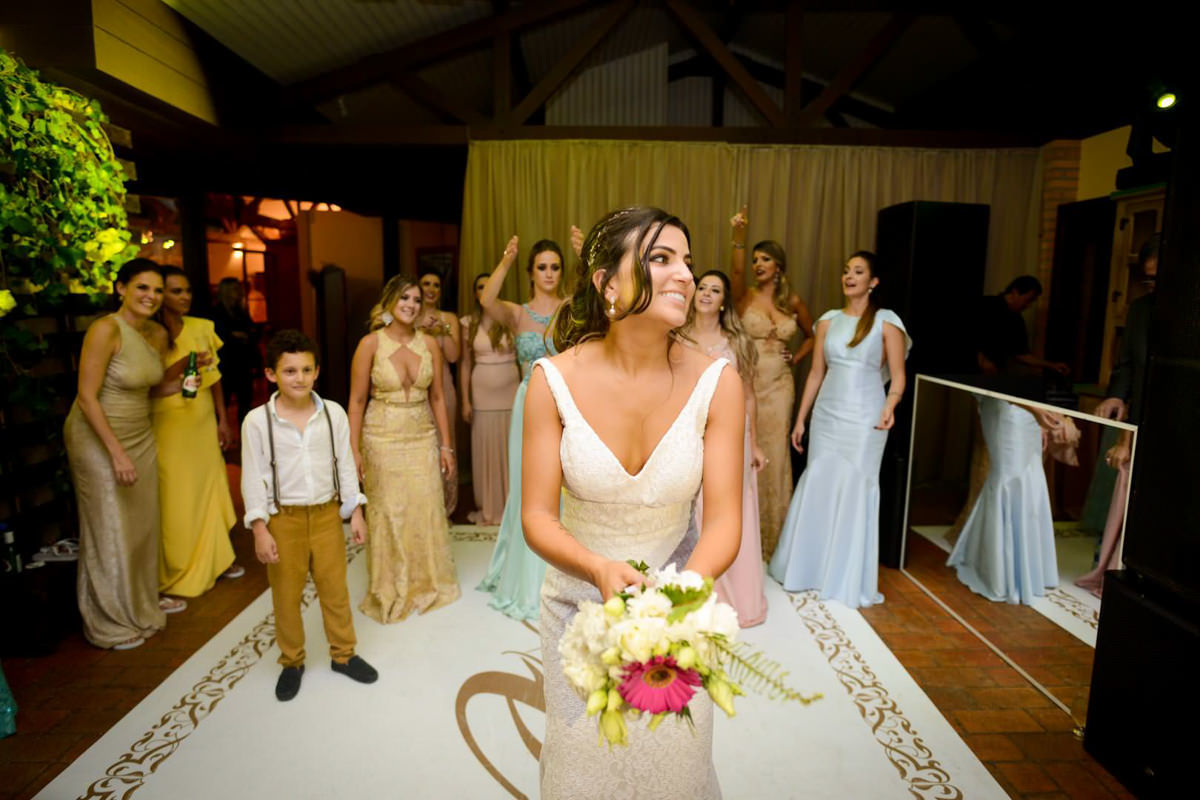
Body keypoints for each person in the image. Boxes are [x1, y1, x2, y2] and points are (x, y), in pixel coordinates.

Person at [523, 207, 743, 798]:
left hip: (677, 607)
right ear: (607, 283)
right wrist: (596, 569)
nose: (685, 276)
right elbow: (537, 517)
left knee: (674, 766)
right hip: (577, 608)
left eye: (688, 262)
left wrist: (677, 600)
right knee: (583, 765)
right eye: (660, 259)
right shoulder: (551, 380)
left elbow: (724, 522)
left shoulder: (718, 382)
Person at [241, 330, 377, 701]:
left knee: (335, 589)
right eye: (289, 371)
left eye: (305, 370)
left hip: (326, 515)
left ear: (316, 371)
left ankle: (343, 655)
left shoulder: (332, 414)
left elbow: (345, 465)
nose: (298, 378)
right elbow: (253, 476)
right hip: (282, 519)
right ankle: (292, 661)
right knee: (286, 593)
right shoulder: (257, 421)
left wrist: (357, 512)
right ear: (271, 374)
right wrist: (259, 528)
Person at [769, 251, 910, 608]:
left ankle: (844, 575)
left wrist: (890, 405)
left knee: (856, 487)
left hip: (866, 418)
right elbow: (816, 373)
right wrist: (801, 418)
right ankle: (808, 569)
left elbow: (898, 376)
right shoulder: (827, 322)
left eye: (858, 271)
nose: (849, 276)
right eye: (846, 270)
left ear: (873, 281)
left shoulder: (887, 322)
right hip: (828, 416)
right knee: (820, 482)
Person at [65, 259, 172, 650]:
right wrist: (117, 454)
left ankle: (140, 606)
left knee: (140, 526)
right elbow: (86, 397)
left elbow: (149, 389)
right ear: (121, 288)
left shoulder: (150, 333)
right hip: (98, 437)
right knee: (109, 527)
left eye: (158, 290)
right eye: (143, 287)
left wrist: (185, 382)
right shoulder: (105, 329)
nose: (152, 297)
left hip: (139, 434)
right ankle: (108, 621)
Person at [475, 231, 577, 621]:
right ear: (531, 273)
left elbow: (604, 299)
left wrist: (584, 255)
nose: (549, 273)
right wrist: (506, 259)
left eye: (555, 266)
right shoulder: (517, 313)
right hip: (527, 404)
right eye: (542, 267)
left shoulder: (571, 308)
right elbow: (486, 299)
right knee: (529, 489)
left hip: (566, 405)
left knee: (566, 488)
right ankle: (526, 574)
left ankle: (566, 571)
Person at [348, 277, 460, 622]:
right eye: (404, 298)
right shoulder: (370, 344)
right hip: (381, 437)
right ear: (390, 302)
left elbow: (438, 397)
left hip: (422, 435)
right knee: (388, 511)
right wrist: (353, 451)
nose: (410, 304)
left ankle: (427, 582)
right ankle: (391, 585)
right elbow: (356, 401)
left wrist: (447, 445)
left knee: (425, 505)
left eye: (415, 299)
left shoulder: (430, 345)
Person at [679, 269, 768, 626]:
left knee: (731, 506)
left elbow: (749, 395)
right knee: (691, 504)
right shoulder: (676, 337)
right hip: (689, 432)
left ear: (722, 301)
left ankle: (736, 593)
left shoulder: (737, 342)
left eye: (715, 290)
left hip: (732, 434)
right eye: (702, 287)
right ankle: (691, 589)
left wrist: (756, 444)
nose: (706, 294)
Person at [729, 205, 814, 560]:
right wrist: (738, 238)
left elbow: (812, 336)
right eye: (755, 260)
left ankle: (777, 538)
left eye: (765, 259)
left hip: (780, 385)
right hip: (748, 381)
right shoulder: (744, 294)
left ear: (778, 266)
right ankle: (744, 533)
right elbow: (734, 270)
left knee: (776, 455)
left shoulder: (791, 300)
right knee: (746, 450)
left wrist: (794, 358)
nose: (757, 265)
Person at [151, 267, 240, 599]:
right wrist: (179, 366)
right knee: (176, 496)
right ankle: (180, 568)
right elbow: (145, 383)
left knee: (211, 488)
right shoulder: (149, 333)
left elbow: (214, 378)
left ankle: (219, 559)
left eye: (187, 290)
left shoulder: (203, 328)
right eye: (176, 291)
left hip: (200, 418)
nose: (184, 297)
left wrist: (222, 419)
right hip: (167, 422)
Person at [1077, 235, 1159, 595]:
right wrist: (1115, 395)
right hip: (1138, 417)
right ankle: (1114, 568)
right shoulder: (1141, 311)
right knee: (1126, 497)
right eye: (1149, 279)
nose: (1154, 286)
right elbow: (1128, 366)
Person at [946, 397, 1062, 605]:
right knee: (1007, 479)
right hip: (1004, 406)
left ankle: (1030, 570)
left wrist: (1038, 420)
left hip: (1031, 410)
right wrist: (1035, 409)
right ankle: (1000, 572)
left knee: (1031, 479)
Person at [460, 272, 520, 525]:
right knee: (485, 445)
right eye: (480, 287)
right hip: (482, 391)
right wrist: (465, 400)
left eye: (489, 286)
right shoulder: (468, 323)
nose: (485, 290)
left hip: (510, 388)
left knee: (510, 444)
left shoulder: (509, 318)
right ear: (475, 293)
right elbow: (464, 363)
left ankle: (511, 503)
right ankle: (489, 506)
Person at [417, 269, 462, 517]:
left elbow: (455, 356)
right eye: (426, 283)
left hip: (444, 385)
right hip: (417, 387)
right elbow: (380, 320)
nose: (431, 288)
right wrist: (417, 326)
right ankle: (424, 506)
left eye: (436, 284)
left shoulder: (449, 318)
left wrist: (443, 329)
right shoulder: (406, 313)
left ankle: (446, 505)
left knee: (446, 441)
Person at [975, 276, 1069, 376]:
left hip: (991, 376)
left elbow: (1022, 354)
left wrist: (1052, 365)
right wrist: (980, 359)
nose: (1028, 305)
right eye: (1028, 300)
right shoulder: (985, 304)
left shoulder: (1017, 320)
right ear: (1015, 292)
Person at [211, 277, 259, 425]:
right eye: (234, 289)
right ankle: (221, 439)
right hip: (225, 365)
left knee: (245, 404)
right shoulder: (217, 312)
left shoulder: (241, 311)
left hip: (243, 364)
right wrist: (235, 336)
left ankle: (246, 439)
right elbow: (218, 337)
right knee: (222, 404)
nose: (238, 292)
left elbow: (251, 332)